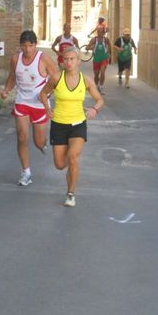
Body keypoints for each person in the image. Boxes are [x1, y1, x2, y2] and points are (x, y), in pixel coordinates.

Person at [38, 46, 104, 207]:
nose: (68, 62)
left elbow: (100, 100)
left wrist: (95, 109)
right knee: (60, 164)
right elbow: (42, 93)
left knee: (73, 157)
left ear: (78, 61)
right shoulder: (56, 78)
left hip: (78, 124)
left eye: (72, 59)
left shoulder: (86, 80)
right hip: (59, 124)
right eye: (65, 59)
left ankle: (70, 194)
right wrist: (47, 108)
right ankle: (71, 168)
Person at [1, 30, 59, 186]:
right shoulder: (15, 59)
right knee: (21, 137)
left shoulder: (43, 59)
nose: (27, 49)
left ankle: (43, 144)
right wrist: (6, 90)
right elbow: (12, 77)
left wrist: (49, 93)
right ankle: (26, 172)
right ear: (20, 46)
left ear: (35, 44)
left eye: (30, 46)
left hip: (39, 104)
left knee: (38, 142)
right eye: (24, 46)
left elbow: (56, 78)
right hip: (22, 102)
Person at [87, 27, 111, 93]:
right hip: (96, 59)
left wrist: (109, 54)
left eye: (101, 32)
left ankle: (101, 87)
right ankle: (96, 85)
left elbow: (109, 47)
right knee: (96, 75)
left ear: (103, 32)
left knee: (102, 72)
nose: (99, 33)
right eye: (98, 32)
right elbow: (87, 47)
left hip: (104, 58)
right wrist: (91, 47)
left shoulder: (106, 40)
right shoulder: (94, 40)